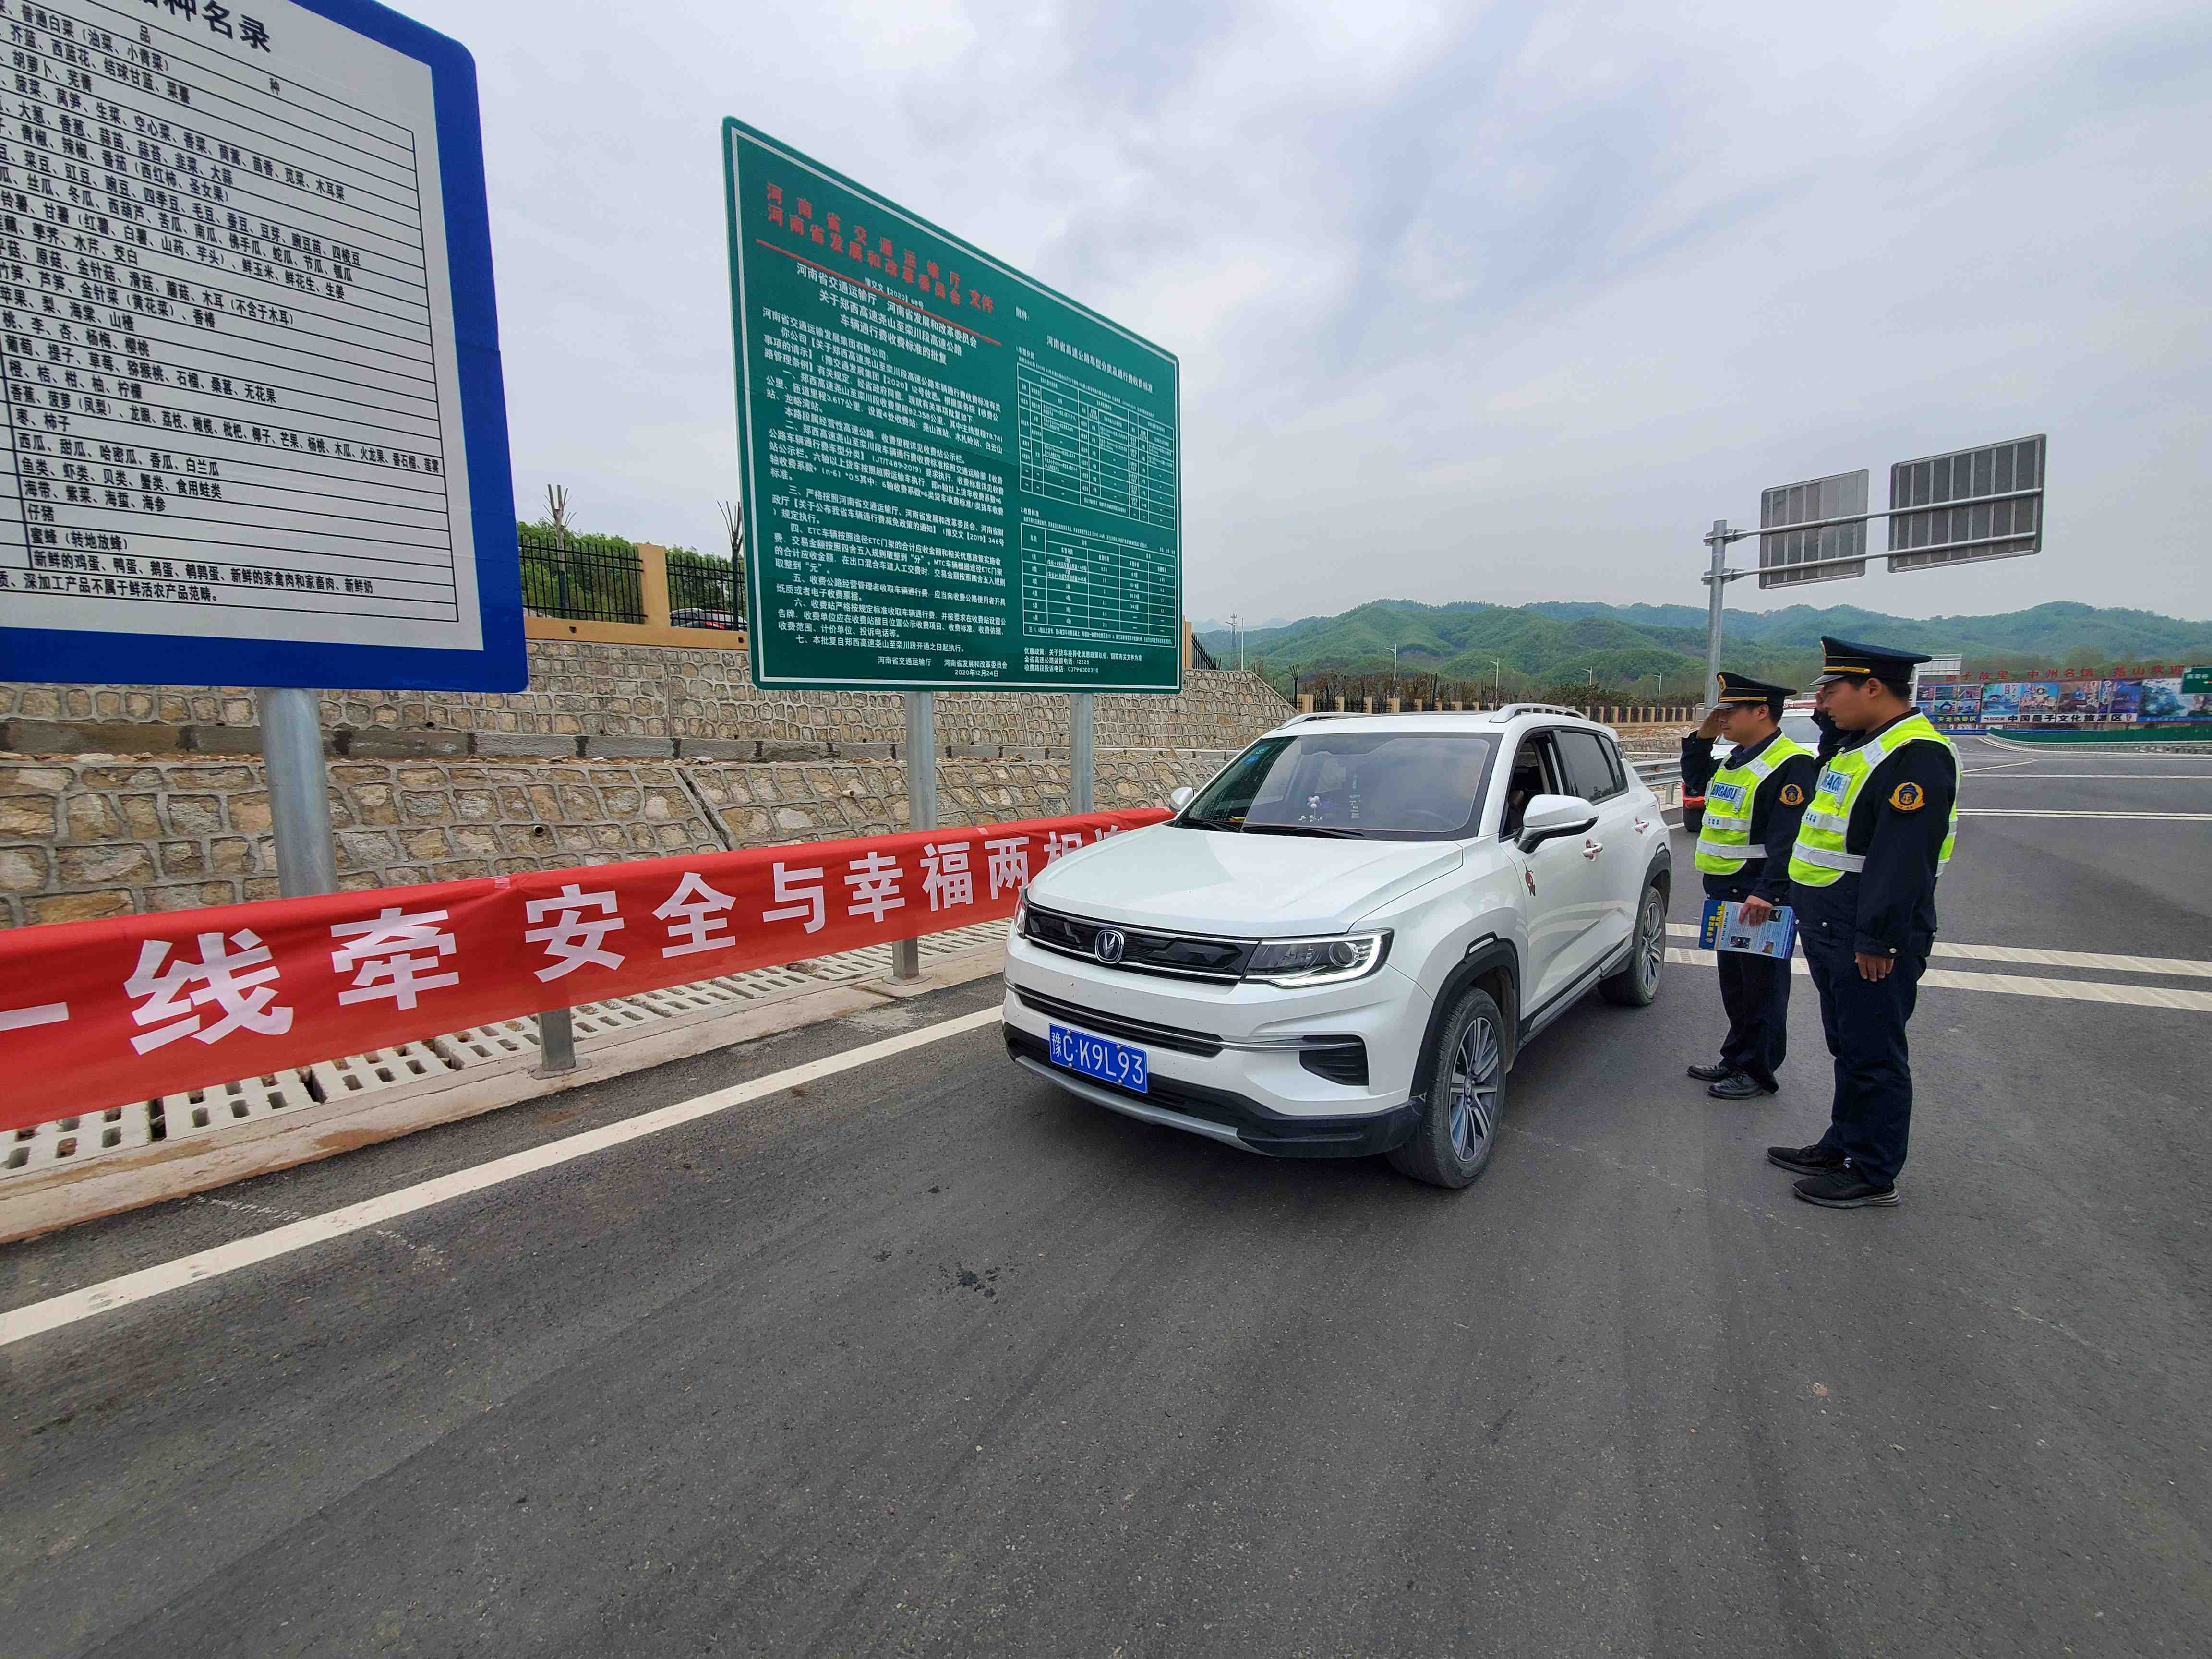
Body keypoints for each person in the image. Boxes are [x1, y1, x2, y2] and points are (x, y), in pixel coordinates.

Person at [1765, 637, 1960, 1209]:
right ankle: (1843, 1143)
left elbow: (1902, 860)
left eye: (1831, 690)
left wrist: (1879, 939)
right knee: (1848, 1044)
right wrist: (1831, 724)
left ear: (1872, 687)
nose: (1822, 702)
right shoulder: (1860, 746)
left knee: (1875, 1053)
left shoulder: (1915, 755)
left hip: (1866, 934)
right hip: (1833, 925)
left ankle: (1874, 1172)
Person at [1681, 674, 1817, 1099]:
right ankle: (1736, 1057)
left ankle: (1758, 1071)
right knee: (1736, 983)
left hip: (1758, 892)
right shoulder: (1737, 759)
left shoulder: (1791, 764)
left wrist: (1770, 891)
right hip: (1726, 889)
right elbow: (1698, 781)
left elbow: (1789, 838)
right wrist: (1702, 739)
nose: (1721, 718)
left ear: (1761, 711)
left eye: (1730, 711)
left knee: (1763, 987)